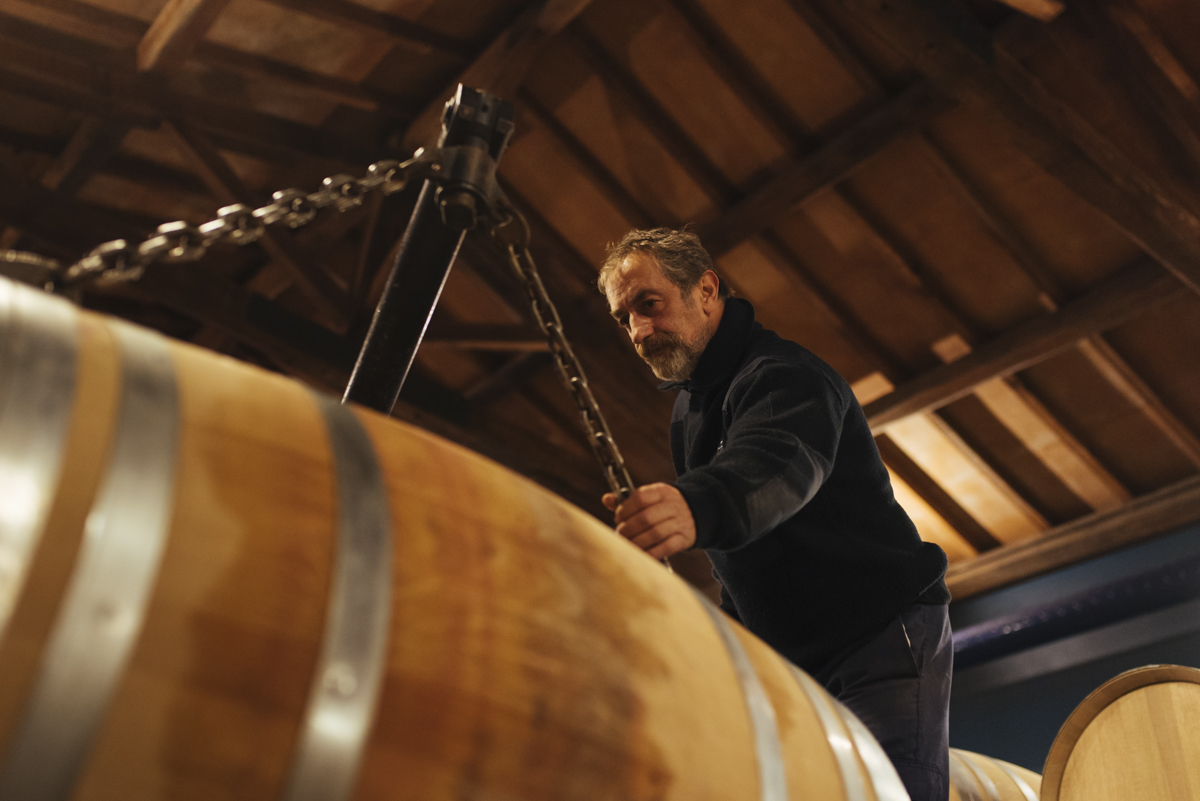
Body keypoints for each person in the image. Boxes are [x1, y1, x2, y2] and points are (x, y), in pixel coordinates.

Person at [598, 227, 953, 801]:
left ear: (706, 290)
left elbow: (780, 467)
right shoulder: (690, 408)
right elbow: (741, 558)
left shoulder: (786, 375)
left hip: (878, 637)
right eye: (625, 319)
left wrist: (697, 504)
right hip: (792, 661)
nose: (639, 331)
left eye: (649, 305)